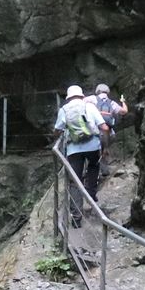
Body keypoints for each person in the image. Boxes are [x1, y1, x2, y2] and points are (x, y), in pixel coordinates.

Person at [54, 84, 107, 224]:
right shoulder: (89, 106)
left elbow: (57, 129)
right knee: (94, 166)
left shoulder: (64, 110)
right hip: (93, 146)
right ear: (81, 95)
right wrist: (104, 144)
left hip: (73, 150)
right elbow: (103, 126)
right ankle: (91, 194)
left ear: (68, 98)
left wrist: (60, 135)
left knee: (74, 181)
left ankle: (76, 218)